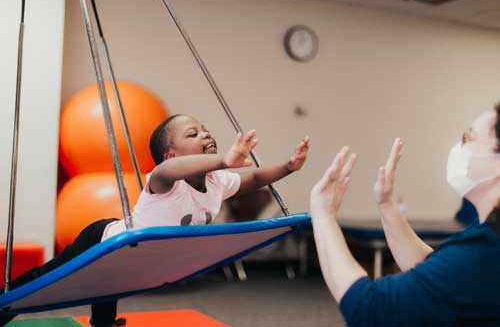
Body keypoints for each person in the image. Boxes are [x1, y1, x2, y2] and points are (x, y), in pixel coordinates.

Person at [1, 114, 310, 327]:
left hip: (136, 257)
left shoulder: (217, 182)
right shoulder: (165, 181)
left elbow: (255, 176)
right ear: (171, 156)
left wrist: (289, 166)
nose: (205, 133)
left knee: (112, 282)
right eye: (193, 133)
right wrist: (225, 159)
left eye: (204, 129)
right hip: (104, 238)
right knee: (44, 281)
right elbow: (165, 172)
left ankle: (104, 322)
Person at [309, 106, 500, 326]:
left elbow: (370, 310)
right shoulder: (486, 239)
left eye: (471, 136)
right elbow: (437, 272)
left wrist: (323, 215)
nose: (462, 141)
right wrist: (386, 205)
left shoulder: (487, 249)